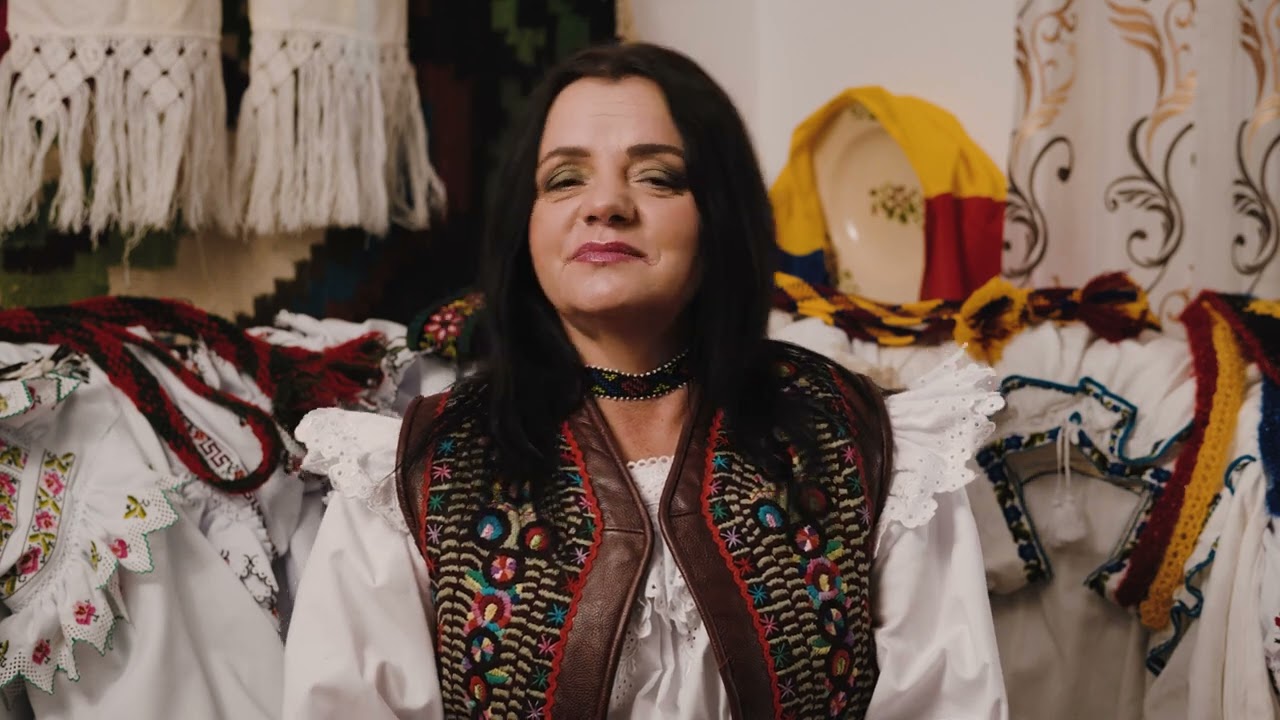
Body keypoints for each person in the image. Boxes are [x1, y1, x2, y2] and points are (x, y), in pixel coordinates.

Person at [282, 42, 1008, 719]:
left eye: (657, 176)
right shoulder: (415, 474)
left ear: (720, 212)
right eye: (564, 179)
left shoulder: (864, 446)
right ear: (525, 226)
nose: (605, 205)